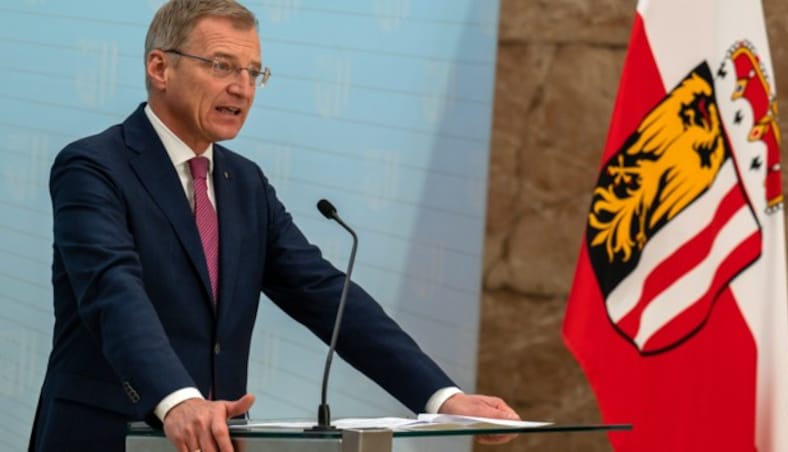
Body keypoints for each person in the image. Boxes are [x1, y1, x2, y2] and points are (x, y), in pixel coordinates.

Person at [28, 1, 519, 451]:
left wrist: (441, 398)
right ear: (160, 67)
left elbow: (326, 295)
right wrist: (177, 399)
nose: (242, 87)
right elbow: (113, 294)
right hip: (104, 436)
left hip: (217, 440)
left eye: (253, 72)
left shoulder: (245, 183)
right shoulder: (93, 168)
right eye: (222, 65)